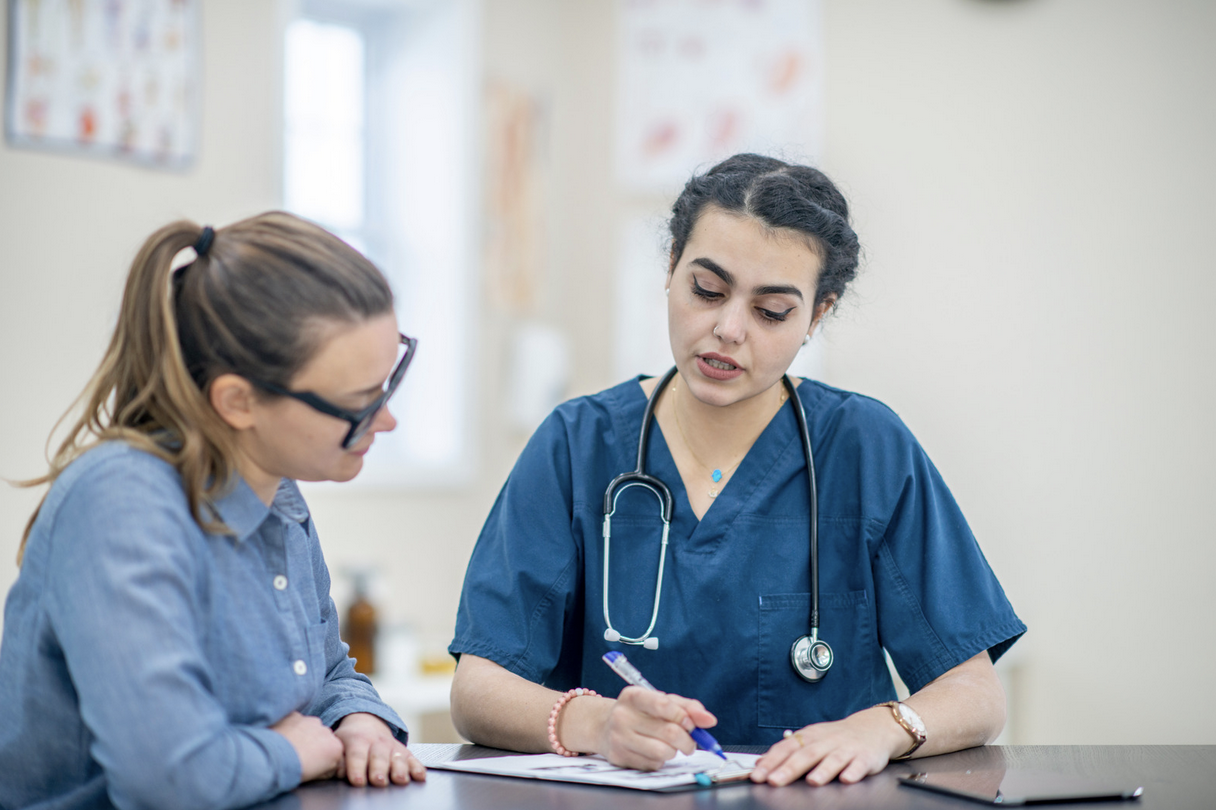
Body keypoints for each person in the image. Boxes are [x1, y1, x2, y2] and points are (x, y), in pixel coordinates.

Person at [448, 154, 1025, 787]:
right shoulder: (576, 444)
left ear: (818, 314)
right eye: (707, 290)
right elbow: (479, 687)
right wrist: (596, 723)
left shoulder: (865, 447)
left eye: (771, 311)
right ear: (670, 268)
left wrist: (883, 727)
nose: (727, 330)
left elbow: (976, 691)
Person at [0, 213, 428, 810]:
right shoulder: (121, 504)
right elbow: (168, 777)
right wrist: (296, 753)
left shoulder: (277, 493)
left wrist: (359, 722)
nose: (386, 421)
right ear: (238, 401)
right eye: (360, 403)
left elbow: (326, 673)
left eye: (389, 384)